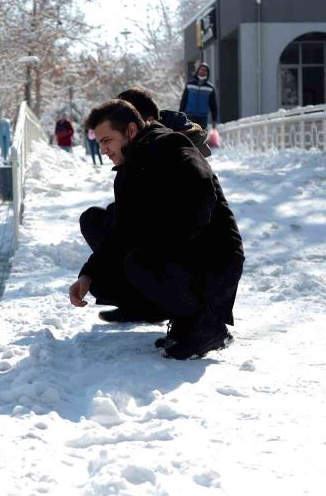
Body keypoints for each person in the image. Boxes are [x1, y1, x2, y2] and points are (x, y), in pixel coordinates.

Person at [69, 99, 244, 360]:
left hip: (213, 258)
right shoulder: (127, 171)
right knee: (103, 282)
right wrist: (88, 274)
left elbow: (202, 195)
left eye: (107, 140)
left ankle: (206, 324)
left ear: (130, 130)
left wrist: (163, 244)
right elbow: (122, 233)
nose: (103, 150)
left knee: (140, 261)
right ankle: (179, 314)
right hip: (181, 258)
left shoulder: (168, 146)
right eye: (99, 143)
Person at [179, 63, 218, 130]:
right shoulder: (190, 84)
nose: (202, 71)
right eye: (201, 69)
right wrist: (180, 114)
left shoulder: (210, 88)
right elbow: (184, 100)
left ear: (207, 73)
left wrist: (214, 120)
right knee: (190, 136)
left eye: (205, 70)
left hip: (203, 117)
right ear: (198, 71)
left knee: (201, 137)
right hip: (190, 116)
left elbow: (213, 105)